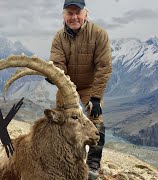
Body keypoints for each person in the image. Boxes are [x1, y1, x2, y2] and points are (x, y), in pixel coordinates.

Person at [47, 0, 112, 179]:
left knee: (96, 122)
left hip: (90, 89)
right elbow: (58, 64)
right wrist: (55, 75)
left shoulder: (99, 34)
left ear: (85, 14)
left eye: (78, 12)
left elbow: (104, 67)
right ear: (64, 15)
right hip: (67, 88)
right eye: (70, 13)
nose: (74, 17)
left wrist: (96, 97)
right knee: (63, 124)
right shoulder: (59, 38)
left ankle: (92, 165)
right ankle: (66, 161)